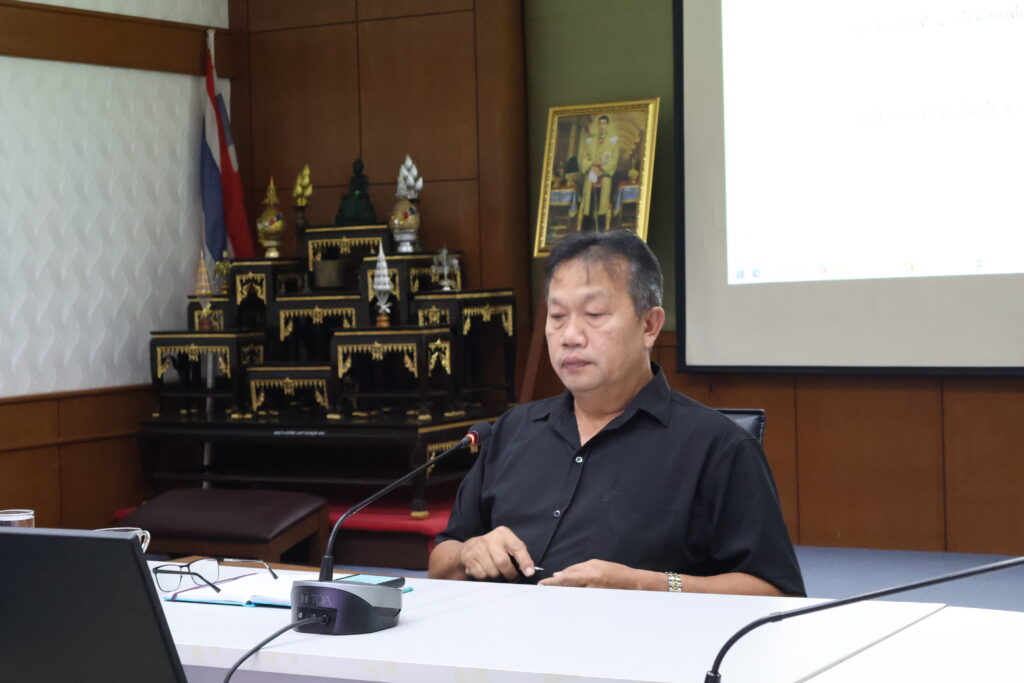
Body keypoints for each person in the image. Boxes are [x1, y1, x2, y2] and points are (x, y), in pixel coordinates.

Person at [428, 230, 805, 596]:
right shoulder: (512, 430)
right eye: (557, 316)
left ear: (650, 325)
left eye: (594, 314)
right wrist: (467, 553)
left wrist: (646, 585)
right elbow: (441, 561)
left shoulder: (717, 446)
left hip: (643, 638)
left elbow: (776, 593)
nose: (570, 336)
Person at [577, 115, 620, 232]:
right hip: (592, 173)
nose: (602, 126)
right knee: (589, 201)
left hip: (604, 175)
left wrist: (602, 170)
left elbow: (614, 159)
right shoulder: (590, 141)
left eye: (604, 123)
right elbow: (584, 157)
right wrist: (591, 167)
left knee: (602, 203)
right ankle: (587, 229)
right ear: (598, 125)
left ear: (608, 125)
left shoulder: (613, 142)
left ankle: (601, 229)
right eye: (600, 123)